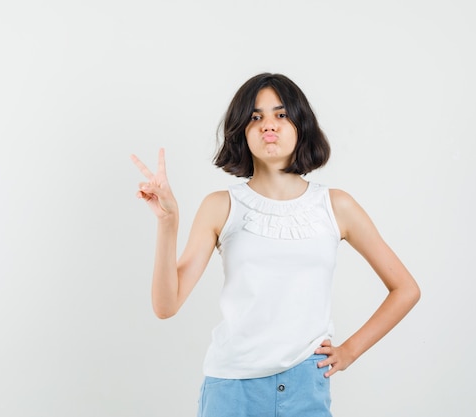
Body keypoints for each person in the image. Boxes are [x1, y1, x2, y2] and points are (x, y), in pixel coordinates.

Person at [131, 73, 420, 417]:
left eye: (281, 115)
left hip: (305, 387)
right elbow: (166, 305)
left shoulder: (336, 205)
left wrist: (350, 351)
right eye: (256, 117)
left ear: (301, 125)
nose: (269, 124)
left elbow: (405, 289)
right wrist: (168, 223)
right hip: (231, 390)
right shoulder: (220, 206)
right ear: (242, 130)